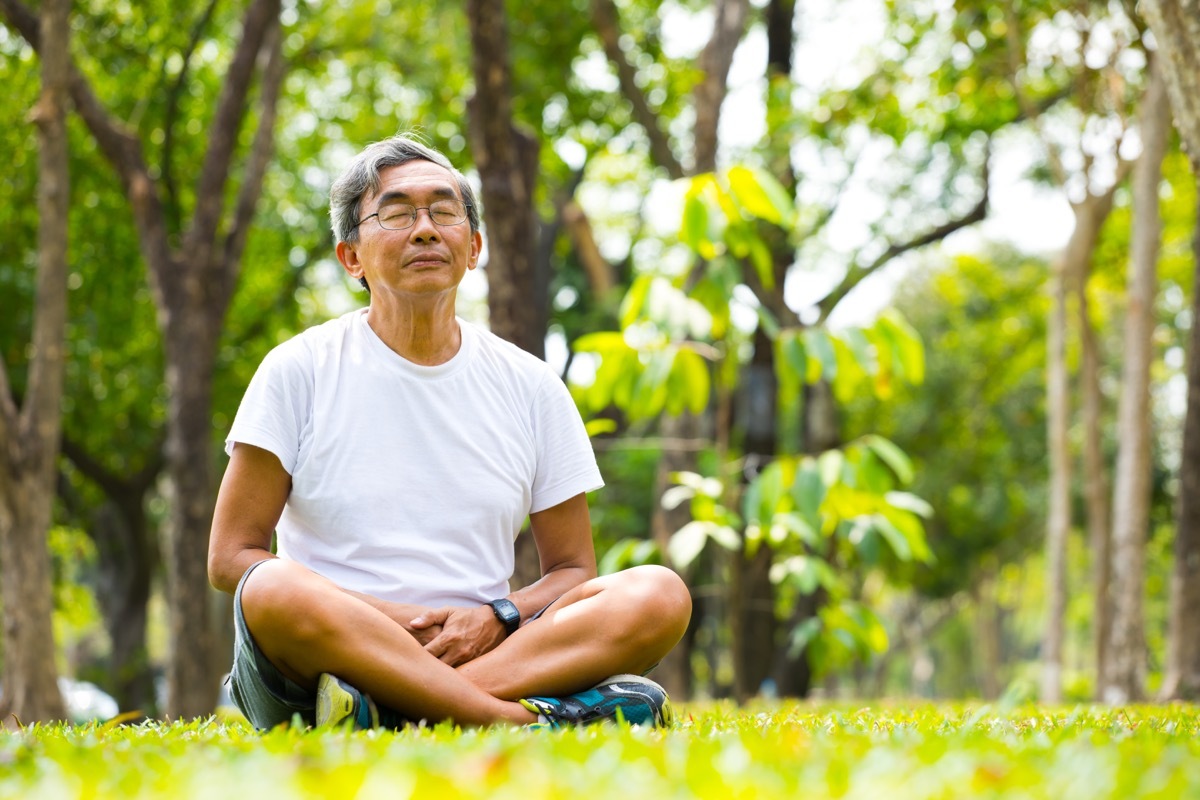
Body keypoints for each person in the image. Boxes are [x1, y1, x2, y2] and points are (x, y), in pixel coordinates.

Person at [207, 133, 692, 731]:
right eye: (396, 213)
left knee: (659, 593)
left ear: (474, 247)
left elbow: (573, 570)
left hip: (490, 645)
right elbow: (231, 558)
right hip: (325, 656)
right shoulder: (297, 369)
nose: (425, 230)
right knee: (270, 587)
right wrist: (388, 619)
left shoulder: (531, 386)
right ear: (351, 256)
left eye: (444, 212)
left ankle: (386, 713)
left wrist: (499, 615)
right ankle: (513, 722)